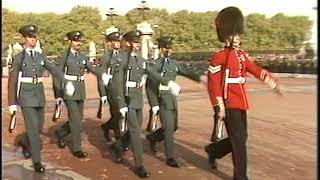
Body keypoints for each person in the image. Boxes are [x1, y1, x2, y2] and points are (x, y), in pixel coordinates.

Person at [206, 6, 283, 179]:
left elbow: (256, 70)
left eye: (239, 35)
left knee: (241, 137)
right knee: (239, 141)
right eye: (235, 34)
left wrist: (273, 83)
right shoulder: (220, 56)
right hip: (228, 102)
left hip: (241, 101)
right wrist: (219, 106)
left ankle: (214, 150)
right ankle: (240, 177)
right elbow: (213, 84)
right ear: (227, 35)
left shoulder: (242, 55)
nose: (238, 38)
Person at [109, 30, 180, 178]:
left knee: (135, 129)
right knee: (135, 131)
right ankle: (139, 164)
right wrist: (121, 103)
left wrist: (168, 82)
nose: (137, 45)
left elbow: (153, 74)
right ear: (127, 43)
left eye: (138, 42)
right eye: (135, 42)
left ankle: (118, 146)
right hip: (127, 98)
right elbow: (116, 83)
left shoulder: (141, 60)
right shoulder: (120, 58)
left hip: (137, 99)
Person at [8, 24, 67, 173]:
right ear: (24, 39)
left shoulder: (41, 56)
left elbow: (53, 69)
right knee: (33, 129)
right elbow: (13, 81)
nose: (33, 39)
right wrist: (12, 103)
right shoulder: (19, 58)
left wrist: (67, 80)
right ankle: (37, 161)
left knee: (39, 127)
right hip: (26, 96)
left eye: (35, 37)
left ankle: (24, 142)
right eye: (30, 37)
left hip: (39, 94)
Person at [145, 36, 207, 168]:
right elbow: (149, 86)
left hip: (172, 98)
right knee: (168, 129)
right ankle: (170, 157)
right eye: (166, 47)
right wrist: (154, 104)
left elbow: (185, 72)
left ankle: (153, 138)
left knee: (174, 127)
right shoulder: (155, 64)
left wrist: (199, 78)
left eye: (170, 47)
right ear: (161, 49)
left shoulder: (173, 63)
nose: (169, 50)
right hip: (162, 98)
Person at [53, 30, 108, 158]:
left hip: (80, 89)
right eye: (76, 40)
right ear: (70, 41)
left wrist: (102, 74)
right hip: (69, 89)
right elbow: (57, 75)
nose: (79, 43)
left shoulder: (83, 57)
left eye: (80, 40)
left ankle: (61, 133)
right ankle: (77, 147)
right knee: (76, 118)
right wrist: (58, 93)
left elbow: (92, 68)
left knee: (78, 118)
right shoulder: (64, 56)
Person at [98, 27, 129, 145]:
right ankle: (119, 143)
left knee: (120, 114)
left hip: (123, 89)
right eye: (115, 41)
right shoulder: (106, 57)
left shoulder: (125, 55)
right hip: (112, 90)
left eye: (119, 41)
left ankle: (106, 127)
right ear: (110, 43)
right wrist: (103, 93)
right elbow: (102, 76)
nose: (117, 44)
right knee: (118, 114)